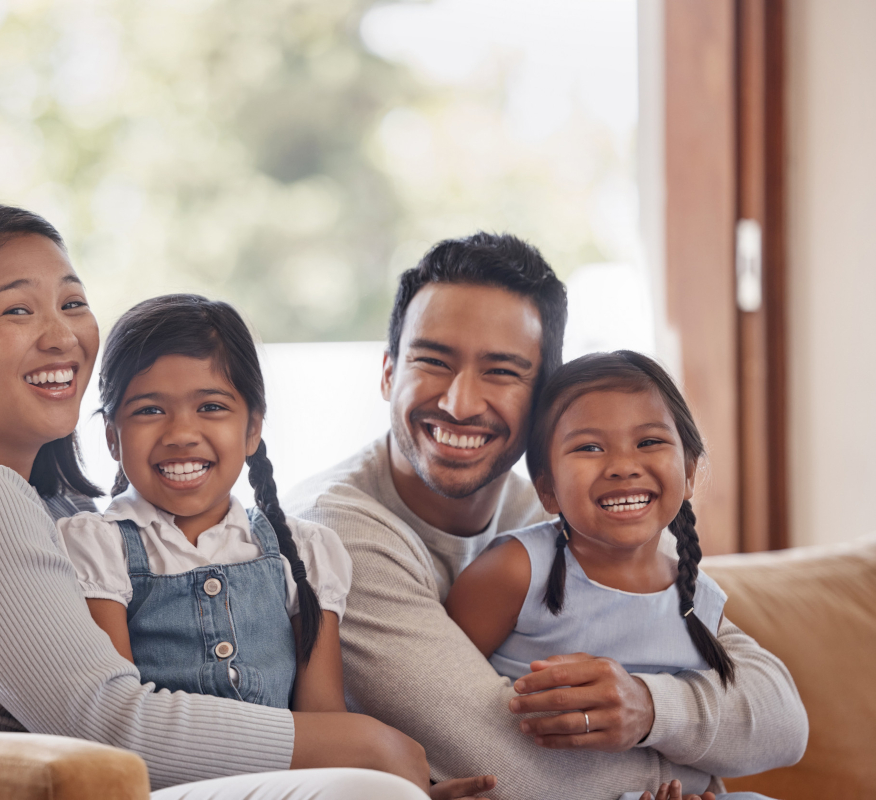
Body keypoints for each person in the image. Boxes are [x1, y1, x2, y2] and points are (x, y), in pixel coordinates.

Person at [0, 201, 441, 799]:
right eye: (17, 311)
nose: (61, 335)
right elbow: (109, 725)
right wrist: (364, 746)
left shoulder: (47, 509)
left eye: (72, 303)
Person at [284, 233, 809, 799]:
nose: (460, 403)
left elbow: (781, 719)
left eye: (502, 371)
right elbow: (508, 764)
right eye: (432, 361)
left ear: (543, 401)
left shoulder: (566, 512)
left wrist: (650, 706)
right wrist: (698, 780)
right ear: (389, 372)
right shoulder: (334, 533)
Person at [60, 294, 494, 798]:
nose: (181, 433)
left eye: (211, 407)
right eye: (149, 410)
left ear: (253, 429)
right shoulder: (97, 547)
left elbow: (324, 724)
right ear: (113, 437)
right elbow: (118, 721)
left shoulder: (303, 551)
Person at [447, 350, 782, 800]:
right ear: (547, 489)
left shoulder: (699, 600)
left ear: (688, 472)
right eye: (589, 447)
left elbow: (760, 727)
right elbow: (442, 705)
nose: (624, 465)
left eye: (649, 442)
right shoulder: (515, 570)